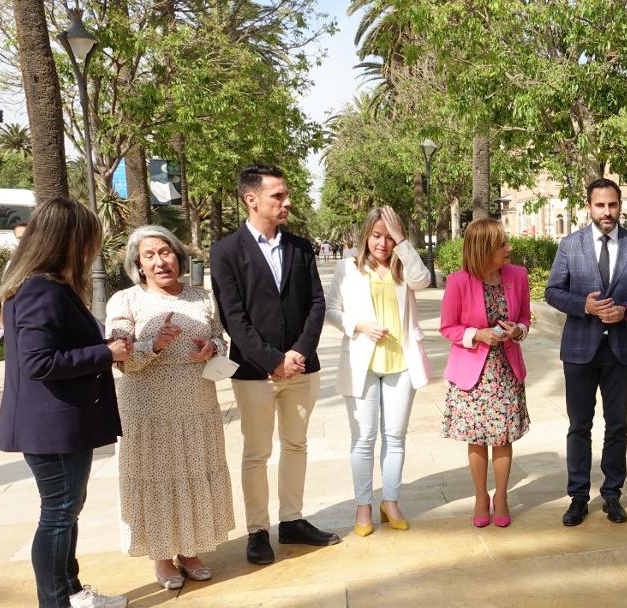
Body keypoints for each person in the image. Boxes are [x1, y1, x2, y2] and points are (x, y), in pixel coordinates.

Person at [0, 198, 127, 608]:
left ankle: (71, 594)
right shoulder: (40, 289)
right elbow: (38, 362)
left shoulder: (48, 286)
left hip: (62, 423)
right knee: (57, 514)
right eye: (89, 239)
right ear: (68, 240)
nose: (93, 249)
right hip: (50, 425)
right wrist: (105, 352)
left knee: (67, 511)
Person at [209, 163, 338, 565]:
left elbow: (317, 304)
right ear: (252, 199)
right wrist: (272, 361)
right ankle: (258, 530)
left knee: (297, 445)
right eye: (278, 196)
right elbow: (234, 318)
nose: (287, 202)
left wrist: (297, 353)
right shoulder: (226, 251)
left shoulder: (301, 247)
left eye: (286, 195)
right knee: (257, 452)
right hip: (254, 372)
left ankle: (293, 520)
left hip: (302, 368)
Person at [104, 225, 235, 589]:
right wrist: (154, 344)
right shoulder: (124, 301)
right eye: (150, 256)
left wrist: (212, 347)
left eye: (166, 252)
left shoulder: (201, 297)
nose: (161, 261)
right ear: (139, 265)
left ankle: (190, 549)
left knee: (194, 470)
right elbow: (120, 358)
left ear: (179, 256)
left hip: (196, 400)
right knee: (157, 476)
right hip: (147, 406)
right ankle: (162, 556)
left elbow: (220, 339)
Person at [545, 179, 627, 526]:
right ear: (589, 206)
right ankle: (578, 497)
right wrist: (585, 306)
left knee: (617, 425)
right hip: (579, 349)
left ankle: (612, 494)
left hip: (619, 350)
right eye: (600, 206)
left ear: (620, 205)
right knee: (579, 426)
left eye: (612, 205)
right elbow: (553, 292)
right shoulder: (570, 245)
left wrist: (626, 310)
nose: (607, 212)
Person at [325, 206, 432, 535]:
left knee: (395, 438)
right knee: (363, 439)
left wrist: (402, 239)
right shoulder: (348, 268)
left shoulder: (403, 269)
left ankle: (391, 500)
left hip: (401, 363)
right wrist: (358, 325)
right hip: (363, 364)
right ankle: (363, 506)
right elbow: (330, 310)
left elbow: (424, 280)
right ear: (365, 236)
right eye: (376, 236)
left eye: (388, 237)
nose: (382, 244)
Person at [439, 219, 531, 527]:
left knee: (503, 437)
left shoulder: (518, 276)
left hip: (505, 370)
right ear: (484, 249)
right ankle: (481, 496)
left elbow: (524, 318)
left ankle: (501, 496)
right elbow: (448, 327)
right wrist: (476, 335)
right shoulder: (458, 282)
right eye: (503, 244)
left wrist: (518, 330)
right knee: (477, 439)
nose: (509, 248)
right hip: (472, 374)